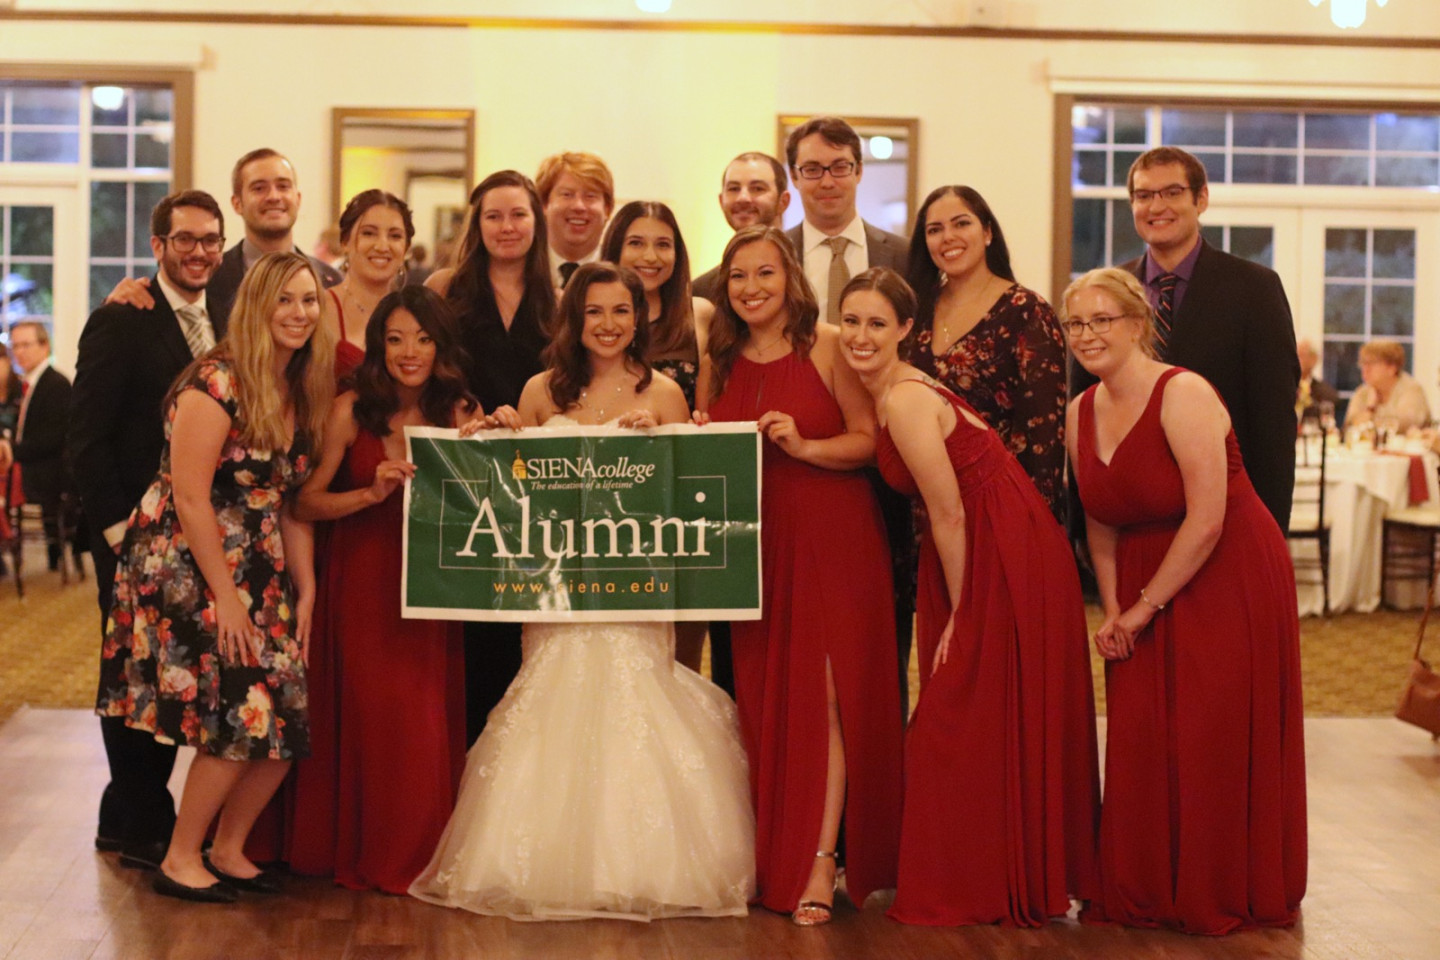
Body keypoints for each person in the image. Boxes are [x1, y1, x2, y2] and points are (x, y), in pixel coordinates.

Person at [410, 262, 754, 921]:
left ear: (638, 319)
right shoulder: (540, 390)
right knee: (552, 699)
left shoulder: (665, 393)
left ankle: (640, 863)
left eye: (621, 311)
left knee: (634, 699)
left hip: (634, 591)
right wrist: (499, 435)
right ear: (575, 318)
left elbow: (685, 503)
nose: (608, 324)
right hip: (557, 595)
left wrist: (669, 443)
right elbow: (516, 491)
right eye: (594, 311)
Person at [837, 268, 1100, 926]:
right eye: (852, 321)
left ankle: (980, 881)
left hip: (999, 550)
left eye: (877, 323)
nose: (861, 335)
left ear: (906, 330)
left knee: (956, 717)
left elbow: (949, 511)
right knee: (979, 720)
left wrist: (963, 611)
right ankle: (989, 871)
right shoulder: (884, 389)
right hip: (978, 546)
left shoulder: (904, 398)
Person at [1064, 267, 1307, 934]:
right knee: (1143, 733)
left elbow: (1207, 519)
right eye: (1076, 324)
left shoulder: (1184, 392)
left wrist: (1143, 608)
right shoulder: (1078, 411)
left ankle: (1216, 885)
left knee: (1208, 733)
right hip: (1141, 574)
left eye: (1102, 320)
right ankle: (1148, 884)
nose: (1087, 335)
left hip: (1224, 569)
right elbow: (1098, 521)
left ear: (1138, 323)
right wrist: (1114, 610)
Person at [95, 251, 336, 903]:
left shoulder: (300, 385)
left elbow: (285, 500)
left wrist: (306, 587)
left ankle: (228, 849)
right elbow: (191, 496)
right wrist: (226, 599)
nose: (299, 313)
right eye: (284, 299)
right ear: (255, 306)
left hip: (260, 563)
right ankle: (181, 858)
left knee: (287, 718)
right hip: (188, 561)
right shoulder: (216, 381)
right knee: (239, 714)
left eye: (309, 300)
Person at [699, 225, 902, 924]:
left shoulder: (827, 345)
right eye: (737, 277)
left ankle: (821, 858)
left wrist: (805, 446)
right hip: (752, 547)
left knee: (826, 699)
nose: (751, 288)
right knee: (763, 702)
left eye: (764, 273)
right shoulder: (719, 360)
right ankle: (771, 855)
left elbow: (870, 441)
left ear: (789, 277)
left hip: (828, 537)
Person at [290, 286, 473, 893]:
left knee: (423, 724)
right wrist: (370, 494)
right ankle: (374, 855)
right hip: (364, 584)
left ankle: (421, 858)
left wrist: (503, 435)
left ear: (441, 345)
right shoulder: (351, 410)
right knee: (377, 722)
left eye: (422, 339)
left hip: (436, 589)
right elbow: (305, 502)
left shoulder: (461, 410)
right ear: (377, 346)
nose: (409, 352)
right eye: (395, 339)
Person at [70, 189, 230, 873]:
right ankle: (140, 818)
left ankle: (122, 816)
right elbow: (87, 439)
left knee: (182, 676)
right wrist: (117, 534)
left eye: (210, 240)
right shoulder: (121, 320)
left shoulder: (229, 316)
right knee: (135, 678)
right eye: (184, 239)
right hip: (134, 537)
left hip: (205, 532)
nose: (199, 251)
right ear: (158, 246)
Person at [1072, 146, 1298, 531]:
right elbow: (1084, 411)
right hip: (1129, 522)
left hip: (1225, 518)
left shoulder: (1254, 289)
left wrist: (1269, 531)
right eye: (1144, 195)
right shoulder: (1106, 293)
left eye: (1172, 192)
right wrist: (1080, 531)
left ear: (1201, 199)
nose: (1157, 206)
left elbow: (1274, 425)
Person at [784, 116, 914, 708]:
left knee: (882, 636)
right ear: (795, 178)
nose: (827, 181)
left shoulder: (906, 257)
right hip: (799, 467)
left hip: (891, 463)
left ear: (859, 171)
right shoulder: (771, 261)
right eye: (812, 169)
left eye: (839, 167)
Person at [426, 170, 554, 744]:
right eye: (494, 216)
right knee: (473, 631)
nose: (507, 227)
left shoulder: (560, 296)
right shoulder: (445, 288)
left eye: (518, 214)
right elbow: (424, 373)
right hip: (465, 479)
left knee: (528, 629)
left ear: (536, 222)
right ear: (476, 225)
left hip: (537, 484)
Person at [907, 186, 1067, 521]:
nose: (948, 237)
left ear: (988, 232)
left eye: (961, 223)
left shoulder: (1026, 310)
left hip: (998, 506)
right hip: (920, 507)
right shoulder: (915, 308)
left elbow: (1044, 438)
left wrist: (1029, 521)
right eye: (935, 230)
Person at [601, 201, 714, 671]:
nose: (650, 256)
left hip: (677, 502)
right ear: (614, 248)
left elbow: (707, 405)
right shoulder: (591, 311)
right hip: (607, 505)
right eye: (636, 243)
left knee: (679, 654)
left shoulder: (699, 314)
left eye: (663, 244)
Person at [102, 148, 341, 324]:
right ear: (237, 203)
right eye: (259, 188)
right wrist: (118, 302)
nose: (273, 196)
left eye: (283, 186)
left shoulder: (332, 282)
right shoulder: (205, 275)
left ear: (297, 199)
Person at [327, 190, 416, 380]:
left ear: (406, 248)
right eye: (368, 233)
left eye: (395, 236)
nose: (382, 246)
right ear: (345, 241)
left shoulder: (415, 314)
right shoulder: (319, 308)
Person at [8, 321, 73, 570]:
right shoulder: (24, 385)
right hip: (32, 466)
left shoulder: (56, 384)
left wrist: (11, 451)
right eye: (15, 346)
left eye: (26, 345)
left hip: (49, 473)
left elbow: (52, 440)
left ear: (45, 346)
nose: (19, 352)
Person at [693, 151, 792, 302]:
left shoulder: (809, 269)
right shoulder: (701, 291)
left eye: (757, 188)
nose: (743, 198)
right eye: (734, 189)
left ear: (783, 201)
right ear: (721, 201)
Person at [535, 151, 614, 289]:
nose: (579, 206)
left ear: (607, 209)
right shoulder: (521, 270)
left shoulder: (622, 274)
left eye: (590, 196)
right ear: (544, 205)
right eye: (567, 195)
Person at [1342, 339, 1430, 433]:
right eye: (1363, 363)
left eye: (1372, 363)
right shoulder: (1362, 392)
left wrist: (1367, 421)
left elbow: (1402, 425)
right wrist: (1370, 408)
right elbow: (1349, 427)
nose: (1365, 369)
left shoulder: (1411, 390)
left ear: (1392, 368)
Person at [1296, 339, 1339, 421]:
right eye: (1295, 355)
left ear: (1314, 359)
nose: (1296, 360)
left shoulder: (1327, 394)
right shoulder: (1283, 389)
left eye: (1301, 355)